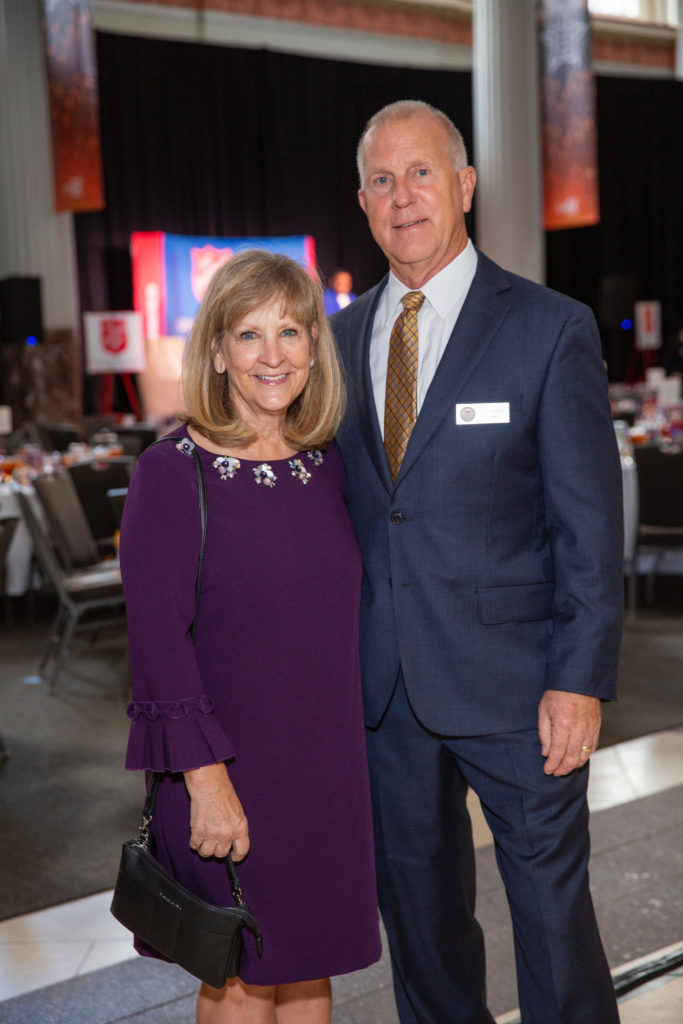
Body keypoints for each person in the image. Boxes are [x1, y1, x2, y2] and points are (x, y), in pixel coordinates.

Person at [330, 100, 624, 1024]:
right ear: (363, 202)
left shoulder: (549, 327)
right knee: (420, 932)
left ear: (463, 187)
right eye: (381, 179)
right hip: (383, 696)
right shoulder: (334, 343)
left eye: (420, 173)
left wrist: (578, 679)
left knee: (551, 921)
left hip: (520, 691)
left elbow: (587, 526)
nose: (400, 196)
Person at [119, 249, 381, 1024]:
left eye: (291, 333)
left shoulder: (328, 465)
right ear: (218, 350)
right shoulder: (172, 473)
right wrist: (206, 785)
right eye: (249, 334)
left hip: (325, 773)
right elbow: (157, 646)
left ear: (313, 347)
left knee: (309, 968)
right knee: (238, 976)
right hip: (226, 771)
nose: (273, 355)